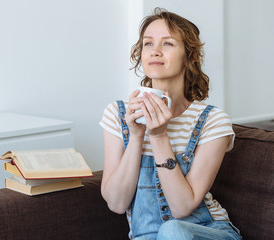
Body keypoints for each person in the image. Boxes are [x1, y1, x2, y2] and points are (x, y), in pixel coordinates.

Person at [99, 8, 242, 240]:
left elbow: (182, 208)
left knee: (172, 230)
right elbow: (116, 203)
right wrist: (136, 136)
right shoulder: (118, 114)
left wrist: (158, 137)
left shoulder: (213, 121)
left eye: (167, 44)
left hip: (206, 231)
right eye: (147, 44)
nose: (154, 51)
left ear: (190, 57)